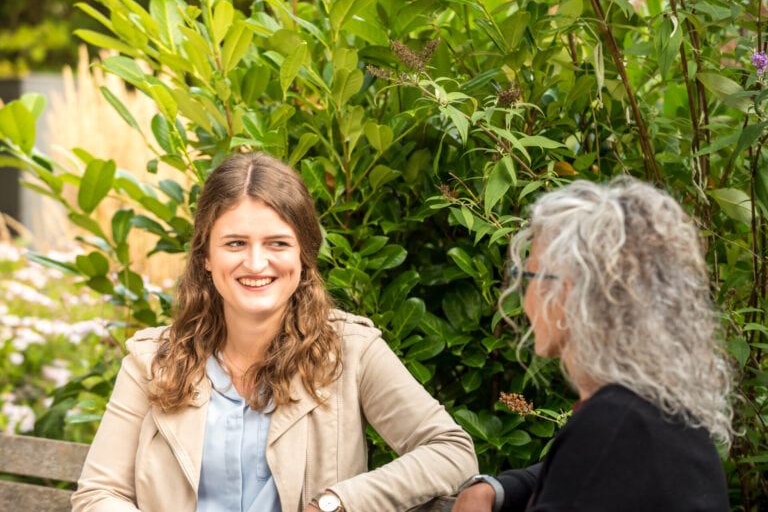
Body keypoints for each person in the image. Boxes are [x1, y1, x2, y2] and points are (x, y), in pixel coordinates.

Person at [71, 152, 478, 512]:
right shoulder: (152, 360)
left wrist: (340, 503)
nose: (256, 262)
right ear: (206, 257)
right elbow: (98, 493)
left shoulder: (352, 352)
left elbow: (452, 452)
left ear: (304, 255)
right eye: (234, 243)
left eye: (278, 243)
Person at [452, 177, 733, 512]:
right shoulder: (659, 411)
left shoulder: (610, 426)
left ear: (567, 294)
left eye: (529, 277)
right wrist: (495, 489)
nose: (523, 298)